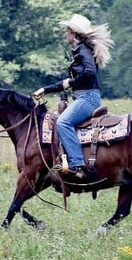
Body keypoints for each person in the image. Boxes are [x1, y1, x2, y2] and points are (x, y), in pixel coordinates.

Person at [33, 14, 114, 180]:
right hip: (82, 97)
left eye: (67, 31)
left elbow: (89, 72)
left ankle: (77, 164)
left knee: (63, 122)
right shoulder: (79, 51)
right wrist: (47, 90)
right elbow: (68, 81)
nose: (65, 35)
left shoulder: (83, 51)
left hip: (87, 98)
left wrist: (70, 82)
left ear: (74, 33)